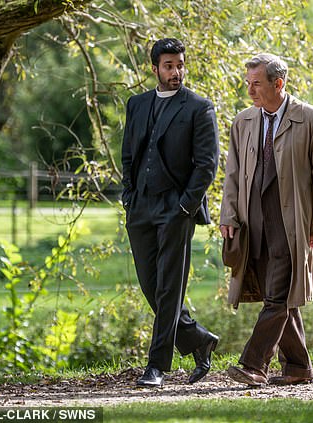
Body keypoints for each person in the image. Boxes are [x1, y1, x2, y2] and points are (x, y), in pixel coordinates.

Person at [219, 53, 313, 386]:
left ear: (278, 83)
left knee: (278, 296)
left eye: (256, 84)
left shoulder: (312, 119)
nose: (250, 91)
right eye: (248, 84)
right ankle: (298, 367)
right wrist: (229, 215)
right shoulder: (242, 122)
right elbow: (232, 173)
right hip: (253, 224)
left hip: (292, 223)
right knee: (281, 295)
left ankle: (254, 364)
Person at [121, 38, 220, 387]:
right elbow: (129, 156)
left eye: (180, 64)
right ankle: (197, 339)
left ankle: (157, 367)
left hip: (176, 208)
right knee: (152, 286)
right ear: (155, 68)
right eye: (169, 66)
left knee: (168, 289)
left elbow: (207, 165)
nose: (176, 72)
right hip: (141, 207)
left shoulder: (198, 107)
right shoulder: (136, 104)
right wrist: (128, 196)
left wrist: (184, 207)